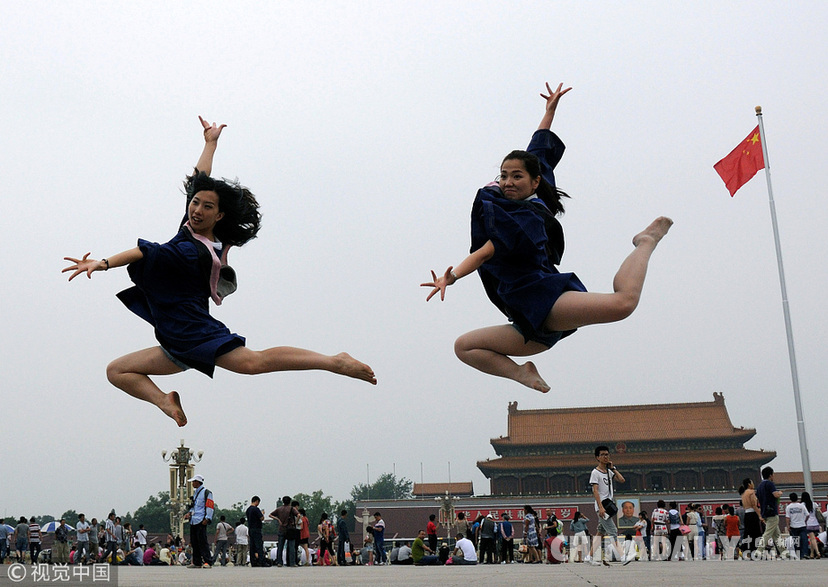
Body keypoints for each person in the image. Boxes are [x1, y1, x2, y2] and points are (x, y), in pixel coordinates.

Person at [63, 116, 376, 427]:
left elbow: (143, 251)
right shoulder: (200, 235)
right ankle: (164, 401)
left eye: (206, 207)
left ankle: (336, 362)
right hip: (174, 340)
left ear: (219, 214)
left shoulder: (187, 249)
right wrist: (210, 143)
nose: (197, 209)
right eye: (195, 203)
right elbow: (201, 178)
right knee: (117, 371)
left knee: (254, 362)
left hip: (191, 332)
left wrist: (101, 263)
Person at [422, 82, 672, 394]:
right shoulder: (506, 191)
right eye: (503, 175)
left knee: (623, 304)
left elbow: (486, 252)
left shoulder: (526, 217)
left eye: (517, 177)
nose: (508, 182)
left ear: (534, 182)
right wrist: (549, 112)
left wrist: (453, 276)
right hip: (525, 322)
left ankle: (645, 241)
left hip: (545, 300)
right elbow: (535, 150)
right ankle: (521, 373)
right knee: (464, 348)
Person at [590, 445, 625, 565]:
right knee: (613, 530)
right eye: (602, 455)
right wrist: (600, 507)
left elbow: (622, 480)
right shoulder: (595, 472)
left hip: (608, 506)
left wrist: (613, 468)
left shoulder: (609, 472)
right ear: (597, 457)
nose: (605, 457)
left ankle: (589, 558)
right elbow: (595, 491)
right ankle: (623, 556)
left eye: (607, 454)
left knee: (600, 532)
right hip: (602, 507)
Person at [183, 474, 214, 568]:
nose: (192, 483)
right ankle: (197, 562)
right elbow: (194, 506)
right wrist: (189, 513)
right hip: (193, 520)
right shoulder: (196, 493)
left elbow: (210, 506)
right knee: (194, 541)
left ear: (198, 482)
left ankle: (207, 561)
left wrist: (207, 518)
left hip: (201, 519)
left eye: (193, 482)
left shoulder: (206, 492)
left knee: (203, 542)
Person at [756, 466, 784, 557]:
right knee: (768, 533)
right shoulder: (770, 484)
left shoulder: (760, 486)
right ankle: (759, 550)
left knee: (776, 534)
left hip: (765, 512)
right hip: (772, 511)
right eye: (773, 474)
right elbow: (775, 495)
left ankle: (784, 551)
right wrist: (780, 493)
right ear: (770, 475)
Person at [739, 478, 761, 555]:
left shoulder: (743, 493)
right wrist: (760, 515)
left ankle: (746, 549)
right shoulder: (751, 492)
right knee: (755, 534)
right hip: (753, 515)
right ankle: (754, 550)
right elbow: (754, 506)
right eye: (752, 482)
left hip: (747, 515)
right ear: (749, 484)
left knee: (748, 533)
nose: (753, 484)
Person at [785, 492, 808, 559]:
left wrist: (788, 526)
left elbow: (787, 518)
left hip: (793, 526)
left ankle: (798, 554)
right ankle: (805, 554)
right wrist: (804, 521)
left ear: (790, 499)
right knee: (804, 540)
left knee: (796, 541)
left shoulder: (788, 507)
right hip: (802, 525)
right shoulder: (801, 506)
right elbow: (807, 515)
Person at [246, 496, 265, 567]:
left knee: (252, 546)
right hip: (257, 529)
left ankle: (253, 561)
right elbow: (261, 518)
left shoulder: (248, 510)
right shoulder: (256, 509)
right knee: (259, 545)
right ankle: (261, 561)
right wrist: (262, 513)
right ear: (256, 501)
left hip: (250, 529)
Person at [802, 492, 821, 559]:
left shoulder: (802, 505)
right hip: (815, 523)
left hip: (808, 523)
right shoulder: (814, 504)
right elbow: (819, 512)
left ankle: (818, 552)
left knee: (812, 539)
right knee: (813, 539)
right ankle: (812, 554)